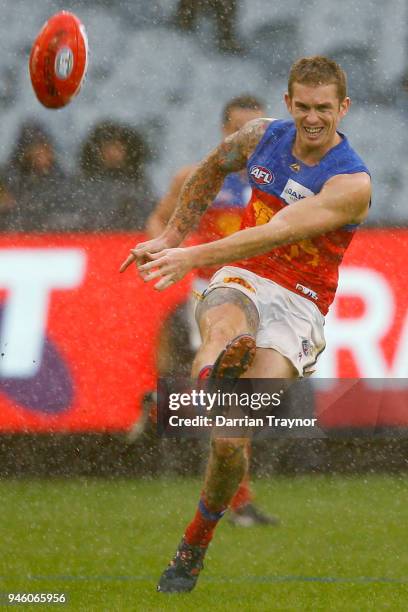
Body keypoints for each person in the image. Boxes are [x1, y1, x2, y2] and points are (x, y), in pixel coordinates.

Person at [121, 56, 371, 593]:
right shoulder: (261, 137)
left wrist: (192, 255)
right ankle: (214, 375)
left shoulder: (351, 182)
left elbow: (276, 232)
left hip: (301, 304)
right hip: (244, 276)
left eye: (323, 108)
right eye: (302, 106)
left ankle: (195, 542)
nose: (311, 118)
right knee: (220, 330)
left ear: (342, 108)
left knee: (231, 441)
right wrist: (171, 238)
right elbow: (210, 168)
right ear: (288, 102)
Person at [144, 94, 279, 527]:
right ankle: (236, 500)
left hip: (259, 292)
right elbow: (161, 221)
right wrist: (169, 252)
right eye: (242, 130)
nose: (252, 140)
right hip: (211, 293)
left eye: (259, 130)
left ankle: (170, 404)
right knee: (231, 388)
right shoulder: (199, 177)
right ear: (226, 133)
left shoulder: (276, 181)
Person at [75, 120, 155, 231]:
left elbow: (150, 217)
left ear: (127, 150)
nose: (113, 153)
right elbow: (77, 217)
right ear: (97, 151)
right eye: (107, 147)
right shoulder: (83, 183)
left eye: (118, 147)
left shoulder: (138, 182)